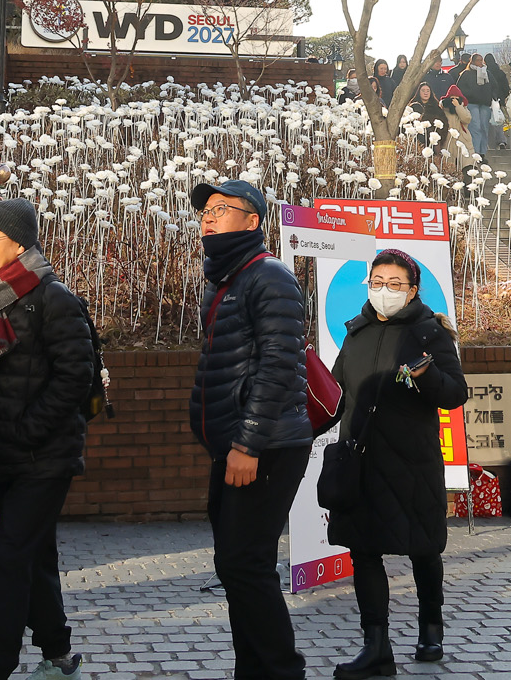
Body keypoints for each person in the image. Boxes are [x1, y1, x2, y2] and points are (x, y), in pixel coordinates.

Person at [0, 200, 94, 680]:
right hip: (7, 455)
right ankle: (58, 653)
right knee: (35, 552)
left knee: (11, 555)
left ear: (19, 243)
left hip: (44, 456)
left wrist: (26, 430)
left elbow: (75, 377)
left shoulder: (52, 298)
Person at [190, 178, 310, 680]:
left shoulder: (270, 277)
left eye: (222, 208)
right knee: (236, 566)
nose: (209, 216)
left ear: (253, 220)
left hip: (265, 444)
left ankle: (282, 671)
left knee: (246, 565)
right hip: (237, 445)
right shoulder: (225, 279)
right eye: (205, 210)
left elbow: (279, 365)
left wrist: (246, 442)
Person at [327, 250, 468, 678]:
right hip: (361, 461)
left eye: (394, 283)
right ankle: (376, 646)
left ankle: (430, 629)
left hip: (412, 462)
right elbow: (336, 393)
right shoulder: (357, 331)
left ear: (412, 289)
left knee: (423, 547)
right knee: (363, 551)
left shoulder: (429, 332)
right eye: (377, 281)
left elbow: (454, 394)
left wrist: (427, 376)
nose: (383, 291)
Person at [459, 54, 498, 157]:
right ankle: (475, 152)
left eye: (481, 60)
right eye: (478, 60)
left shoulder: (487, 73)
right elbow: (460, 88)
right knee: (475, 127)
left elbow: (495, 86)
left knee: (484, 127)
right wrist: (471, 94)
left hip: (485, 103)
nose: (480, 63)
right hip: (472, 103)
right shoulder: (466, 74)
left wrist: (493, 95)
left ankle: (482, 152)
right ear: (472, 62)